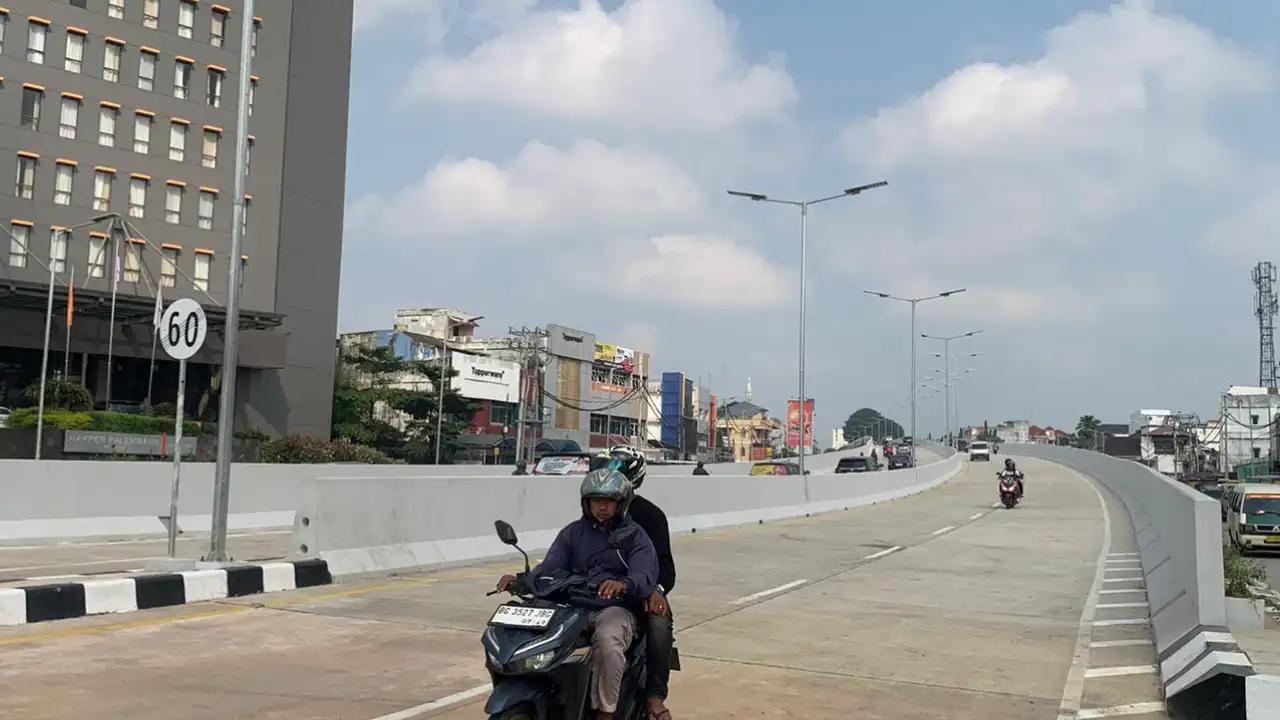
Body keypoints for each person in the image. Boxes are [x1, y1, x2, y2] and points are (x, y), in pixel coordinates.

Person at [496, 468, 658, 720]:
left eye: (608, 501)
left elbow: (645, 575)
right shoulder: (573, 533)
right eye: (596, 501)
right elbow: (549, 567)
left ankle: (605, 712)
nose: (602, 507)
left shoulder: (636, 537)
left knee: (608, 641)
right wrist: (521, 579)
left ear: (621, 503)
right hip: (571, 606)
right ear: (587, 503)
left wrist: (623, 584)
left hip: (613, 608)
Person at [591, 448, 677, 720]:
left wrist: (654, 590)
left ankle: (654, 696)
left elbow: (664, 566)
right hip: (595, 591)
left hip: (639, 592)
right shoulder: (592, 515)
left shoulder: (650, 516)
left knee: (659, 621)